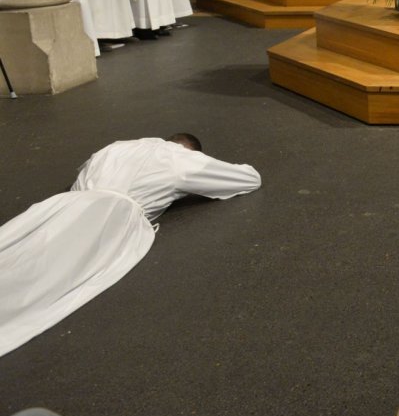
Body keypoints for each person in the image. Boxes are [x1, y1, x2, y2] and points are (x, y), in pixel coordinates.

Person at [0, 134, 261, 358]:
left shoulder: (116, 146)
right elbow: (249, 178)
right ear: (190, 149)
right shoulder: (180, 159)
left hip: (59, 206)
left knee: (18, 243)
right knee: (45, 277)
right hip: (107, 219)